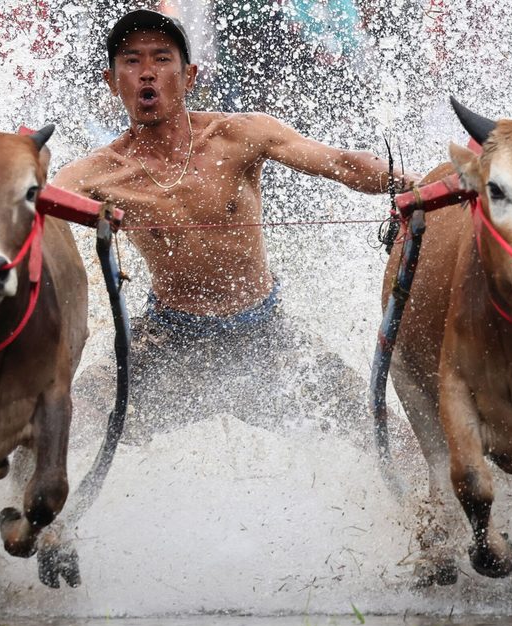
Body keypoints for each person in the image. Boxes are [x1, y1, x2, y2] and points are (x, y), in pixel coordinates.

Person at [53, 9, 419, 446]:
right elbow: (33, 214)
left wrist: (417, 185)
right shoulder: (96, 174)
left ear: (188, 76)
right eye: (131, 61)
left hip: (265, 335)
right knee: (60, 426)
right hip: (168, 339)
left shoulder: (239, 135)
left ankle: (430, 513)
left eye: (161, 58)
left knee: (387, 436)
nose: (147, 73)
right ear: (113, 82)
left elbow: (340, 163)